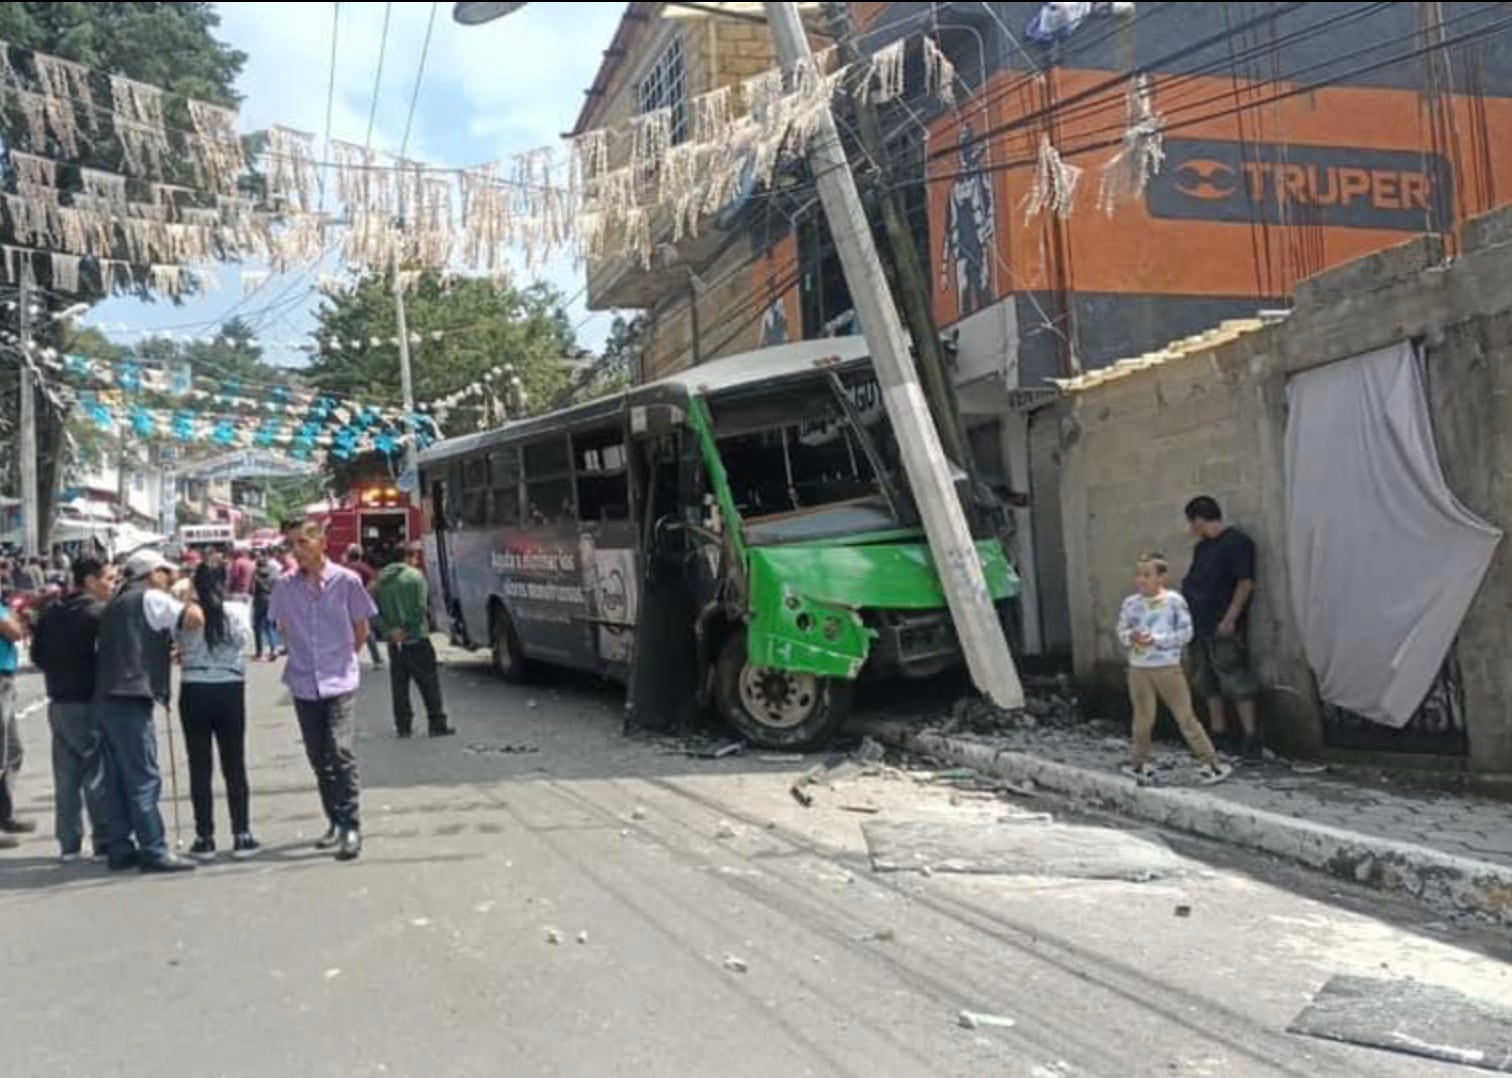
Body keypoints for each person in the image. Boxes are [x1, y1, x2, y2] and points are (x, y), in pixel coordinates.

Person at [270, 520, 377, 863]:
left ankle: (351, 826)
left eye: (303, 542)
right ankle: (335, 820)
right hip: (303, 682)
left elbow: (361, 630)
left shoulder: (347, 581)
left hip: (339, 680)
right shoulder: (284, 587)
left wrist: (343, 658)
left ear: (322, 543)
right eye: (292, 544)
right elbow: (283, 627)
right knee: (319, 758)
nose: (297, 550)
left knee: (339, 750)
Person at [95, 550, 204, 874]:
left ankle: (119, 846)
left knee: (116, 776)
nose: (169, 579)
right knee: (143, 776)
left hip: (107, 694)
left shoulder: (117, 600)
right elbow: (194, 620)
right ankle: (154, 848)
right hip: (131, 693)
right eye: (166, 573)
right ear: (152, 573)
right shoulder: (150, 597)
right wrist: (189, 597)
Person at [1117, 554, 1232, 786]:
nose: (1141, 579)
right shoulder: (1130, 603)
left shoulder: (1174, 601)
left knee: (1185, 717)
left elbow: (1186, 633)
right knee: (1142, 719)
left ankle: (1210, 762)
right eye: (1138, 574)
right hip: (1139, 668)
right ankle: (1139, 762)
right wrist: (1132, 637)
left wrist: (1157, 640)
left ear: (1161, 577)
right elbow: (1121, 630)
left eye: (1147, 575)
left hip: (1167, 667)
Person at [31, 557, 116, 863]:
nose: (112, 585)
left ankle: (69, 843)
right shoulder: (98, 614)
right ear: (90, 581)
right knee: (95, 772)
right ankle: (103, 839)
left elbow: (37, 655)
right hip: (89, 699)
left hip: (59, 700)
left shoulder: (51, 612)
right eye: (108, 578)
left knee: (66, 777)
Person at [177, 564, 260, 862]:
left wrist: (187, 597)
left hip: (194, 687)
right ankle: (242, 834)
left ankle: (205, 837)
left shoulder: (186, 614)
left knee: (199, 766)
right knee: (234, 763)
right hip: (229, 687)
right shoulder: (237, 610)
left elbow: (174, 642)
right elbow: (244, 640)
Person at [1182, 496, 1264, 761]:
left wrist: (1230, 618)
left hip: (1222, 623)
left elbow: (1245, 583)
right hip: (1199, 625)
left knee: (1234, 677)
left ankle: (1251, 737)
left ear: (1198, 520)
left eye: (1191, 522)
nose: (1191, 528)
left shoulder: (1236, 543)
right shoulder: (1202, 548)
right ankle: (1218, 733)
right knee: (1206, 681)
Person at [375, 544, 455, 739]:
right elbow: (420, 608)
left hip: (394, 642)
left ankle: (403, 726)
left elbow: (375, 612)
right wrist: (408, 629)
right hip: (416, 638)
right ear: (408, 557)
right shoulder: (415, 577)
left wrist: (389, 632)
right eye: (415, 557)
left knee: (399, 686)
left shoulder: (381, 581)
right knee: (429, 683)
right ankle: (437, 723)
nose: (417, 561)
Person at [0, 590, 35, 849]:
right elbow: (14, 632)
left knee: (13, 750)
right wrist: (18, 617)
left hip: (6, 679)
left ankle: (5, 813)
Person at [344, 546, 385, 670]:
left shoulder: (344, 568)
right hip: (362, 605)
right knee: (366, 632)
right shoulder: (365, 568)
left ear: (348, 555)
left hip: (346, 604)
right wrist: (365, 594)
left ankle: (347, 659)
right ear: (360, 555)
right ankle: (377, 659)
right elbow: (375, 583)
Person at [252, 554, 281, 661]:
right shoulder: (273, 573)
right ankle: (274, 649)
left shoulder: (256, 574)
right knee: (270, 626)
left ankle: (259, 652)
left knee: (257, 626)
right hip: (271, 599)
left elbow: (252, 588)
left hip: (259, 599)